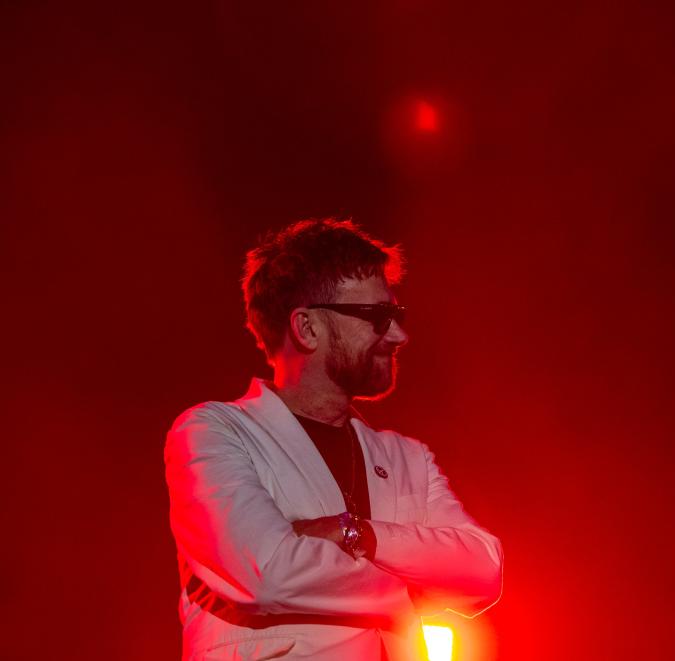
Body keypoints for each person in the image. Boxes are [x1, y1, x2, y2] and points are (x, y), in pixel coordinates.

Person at [164, 218, 503, 660]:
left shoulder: (408, 458)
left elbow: (483, 570)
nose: (399, 335)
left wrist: (356, 534)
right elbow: (269, 572)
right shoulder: (214, 432)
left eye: (397, 317)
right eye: (378, 318)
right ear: (306, 328)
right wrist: (416, 583)